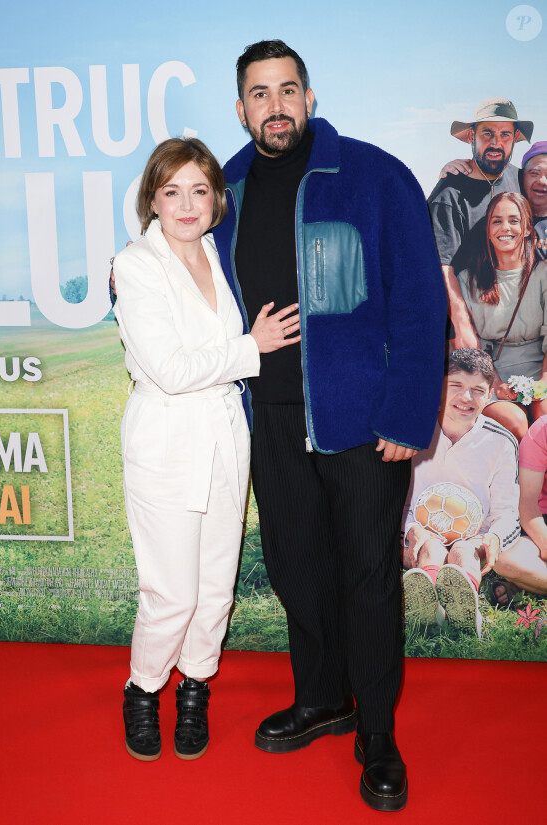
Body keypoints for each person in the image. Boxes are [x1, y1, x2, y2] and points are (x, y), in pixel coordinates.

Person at [211, 40, 447, 812]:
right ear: (240, 106)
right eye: (258, 94)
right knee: (296, 567)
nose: (274, 106)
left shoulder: (377, 176)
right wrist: (128, 275)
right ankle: (321, 696)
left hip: (364, 420)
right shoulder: (227, 187)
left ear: (309, 98)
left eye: (287, 90)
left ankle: (376, 730)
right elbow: (184, 267)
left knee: (370, 578)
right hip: (269, 417)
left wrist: (410, 412)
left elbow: (420, 307)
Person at [113, 138, 301, 762]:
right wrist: (253, 347)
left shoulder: (220, 252)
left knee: (216, 584)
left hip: (225, 433)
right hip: (166, 436)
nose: (187, 204)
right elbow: (168, 368)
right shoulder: (137, 264)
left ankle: (195, 688)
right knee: (172, 591)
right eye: (172, 191)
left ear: (217, 198)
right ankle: (143, 690)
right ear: (153, 200)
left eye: (199, 190)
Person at [402, 348, 520, 637]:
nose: (466, 398)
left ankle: (465, 614)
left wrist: (492, 538)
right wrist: (410, 530)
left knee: (463, 551)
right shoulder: (413, 431)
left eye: (478, 390)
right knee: (429, 548)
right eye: (455, 386)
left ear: (490, 393)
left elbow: (507, 513)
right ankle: (428, 612)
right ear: (439, 386)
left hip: (473, 538)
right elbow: (390, 500)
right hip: (417, 534)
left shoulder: (501, 442)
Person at [427, 99, 533, 349]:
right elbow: (444, 268)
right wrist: (462, 326)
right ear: (472, 136)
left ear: (515, 138)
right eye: (488, 133)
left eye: (505, 134)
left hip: (517, 324)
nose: (496, 143)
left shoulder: (519, 179)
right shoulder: (449, 194)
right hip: (469, 324)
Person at [456, 192, 547, 438]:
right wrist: (496, 383)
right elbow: (470, 346)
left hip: (541, 371)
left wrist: (544, 382)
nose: (505, 227)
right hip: (491, 375)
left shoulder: (543, 274)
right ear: (487, 230)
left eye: (514, 220)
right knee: (515, 421)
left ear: (528, 228)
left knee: (544, 417)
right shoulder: (467, 280)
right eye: (497, 221)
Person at [439, 139, 547, 261]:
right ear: (522, 175)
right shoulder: (501, 208)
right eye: (534, 173)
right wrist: (452, 173)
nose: (542, 181)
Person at [490, 414, 547, 605]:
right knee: (504, 559)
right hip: (542, 521)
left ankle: (529, 583)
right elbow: (527, 503)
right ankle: (531, 580)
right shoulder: (542, 430)